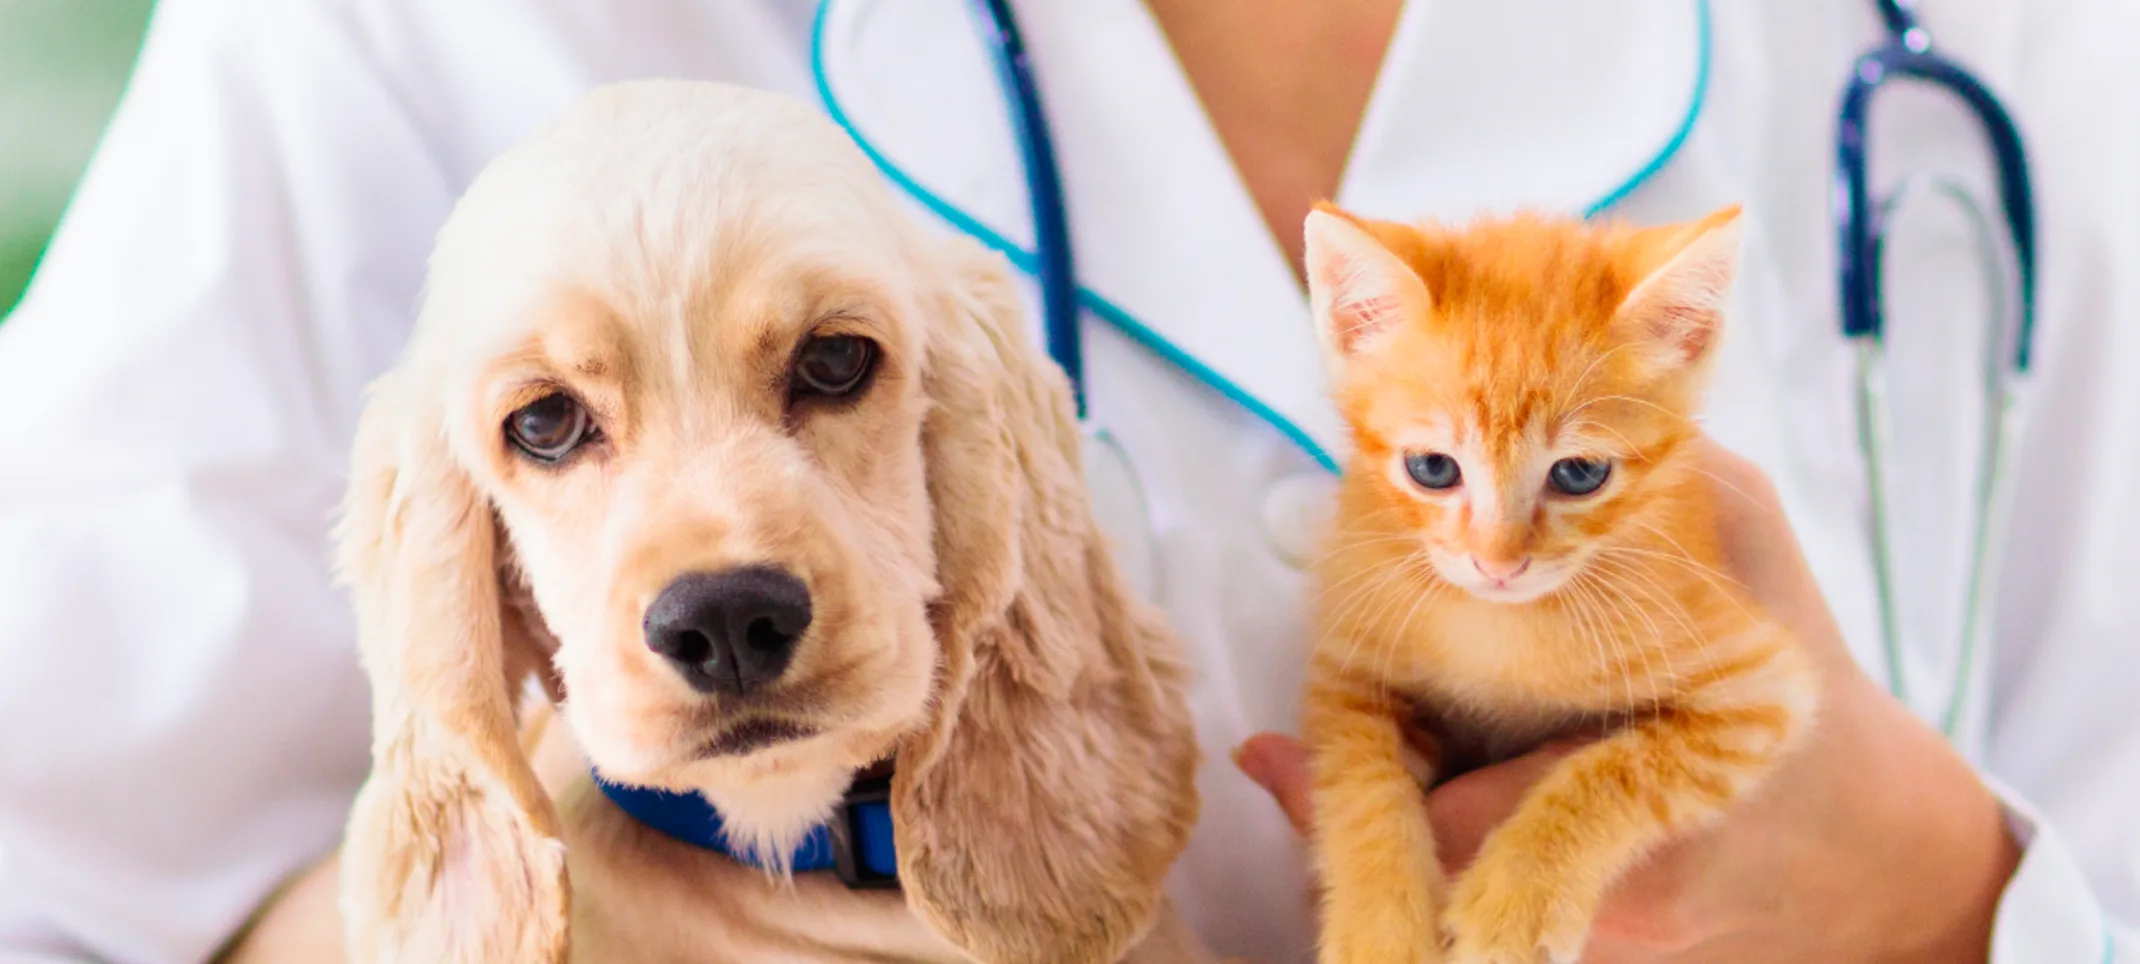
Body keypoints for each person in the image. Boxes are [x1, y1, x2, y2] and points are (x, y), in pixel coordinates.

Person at [0, 1, 2133, 962]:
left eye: (827, 370)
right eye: (551, 425)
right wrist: (489, 915)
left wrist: (1955, 903)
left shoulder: (2023, 53)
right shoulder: (379, 40)